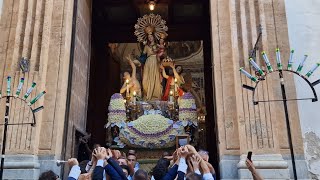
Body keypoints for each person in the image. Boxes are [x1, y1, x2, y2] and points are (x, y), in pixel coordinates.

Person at [141, 27, 163, 101]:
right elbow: (143, 56)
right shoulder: (146, 46)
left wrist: (161, 49)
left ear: (153, 37)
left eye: (151, 36)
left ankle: (155, 96)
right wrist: (138, 60)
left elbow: (162, 53)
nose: (150, 38)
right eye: (149, 37)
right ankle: (147, 94)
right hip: (148, 63)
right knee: (145, 80)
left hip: (155, 61)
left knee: (155, 78)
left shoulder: (158, 45)